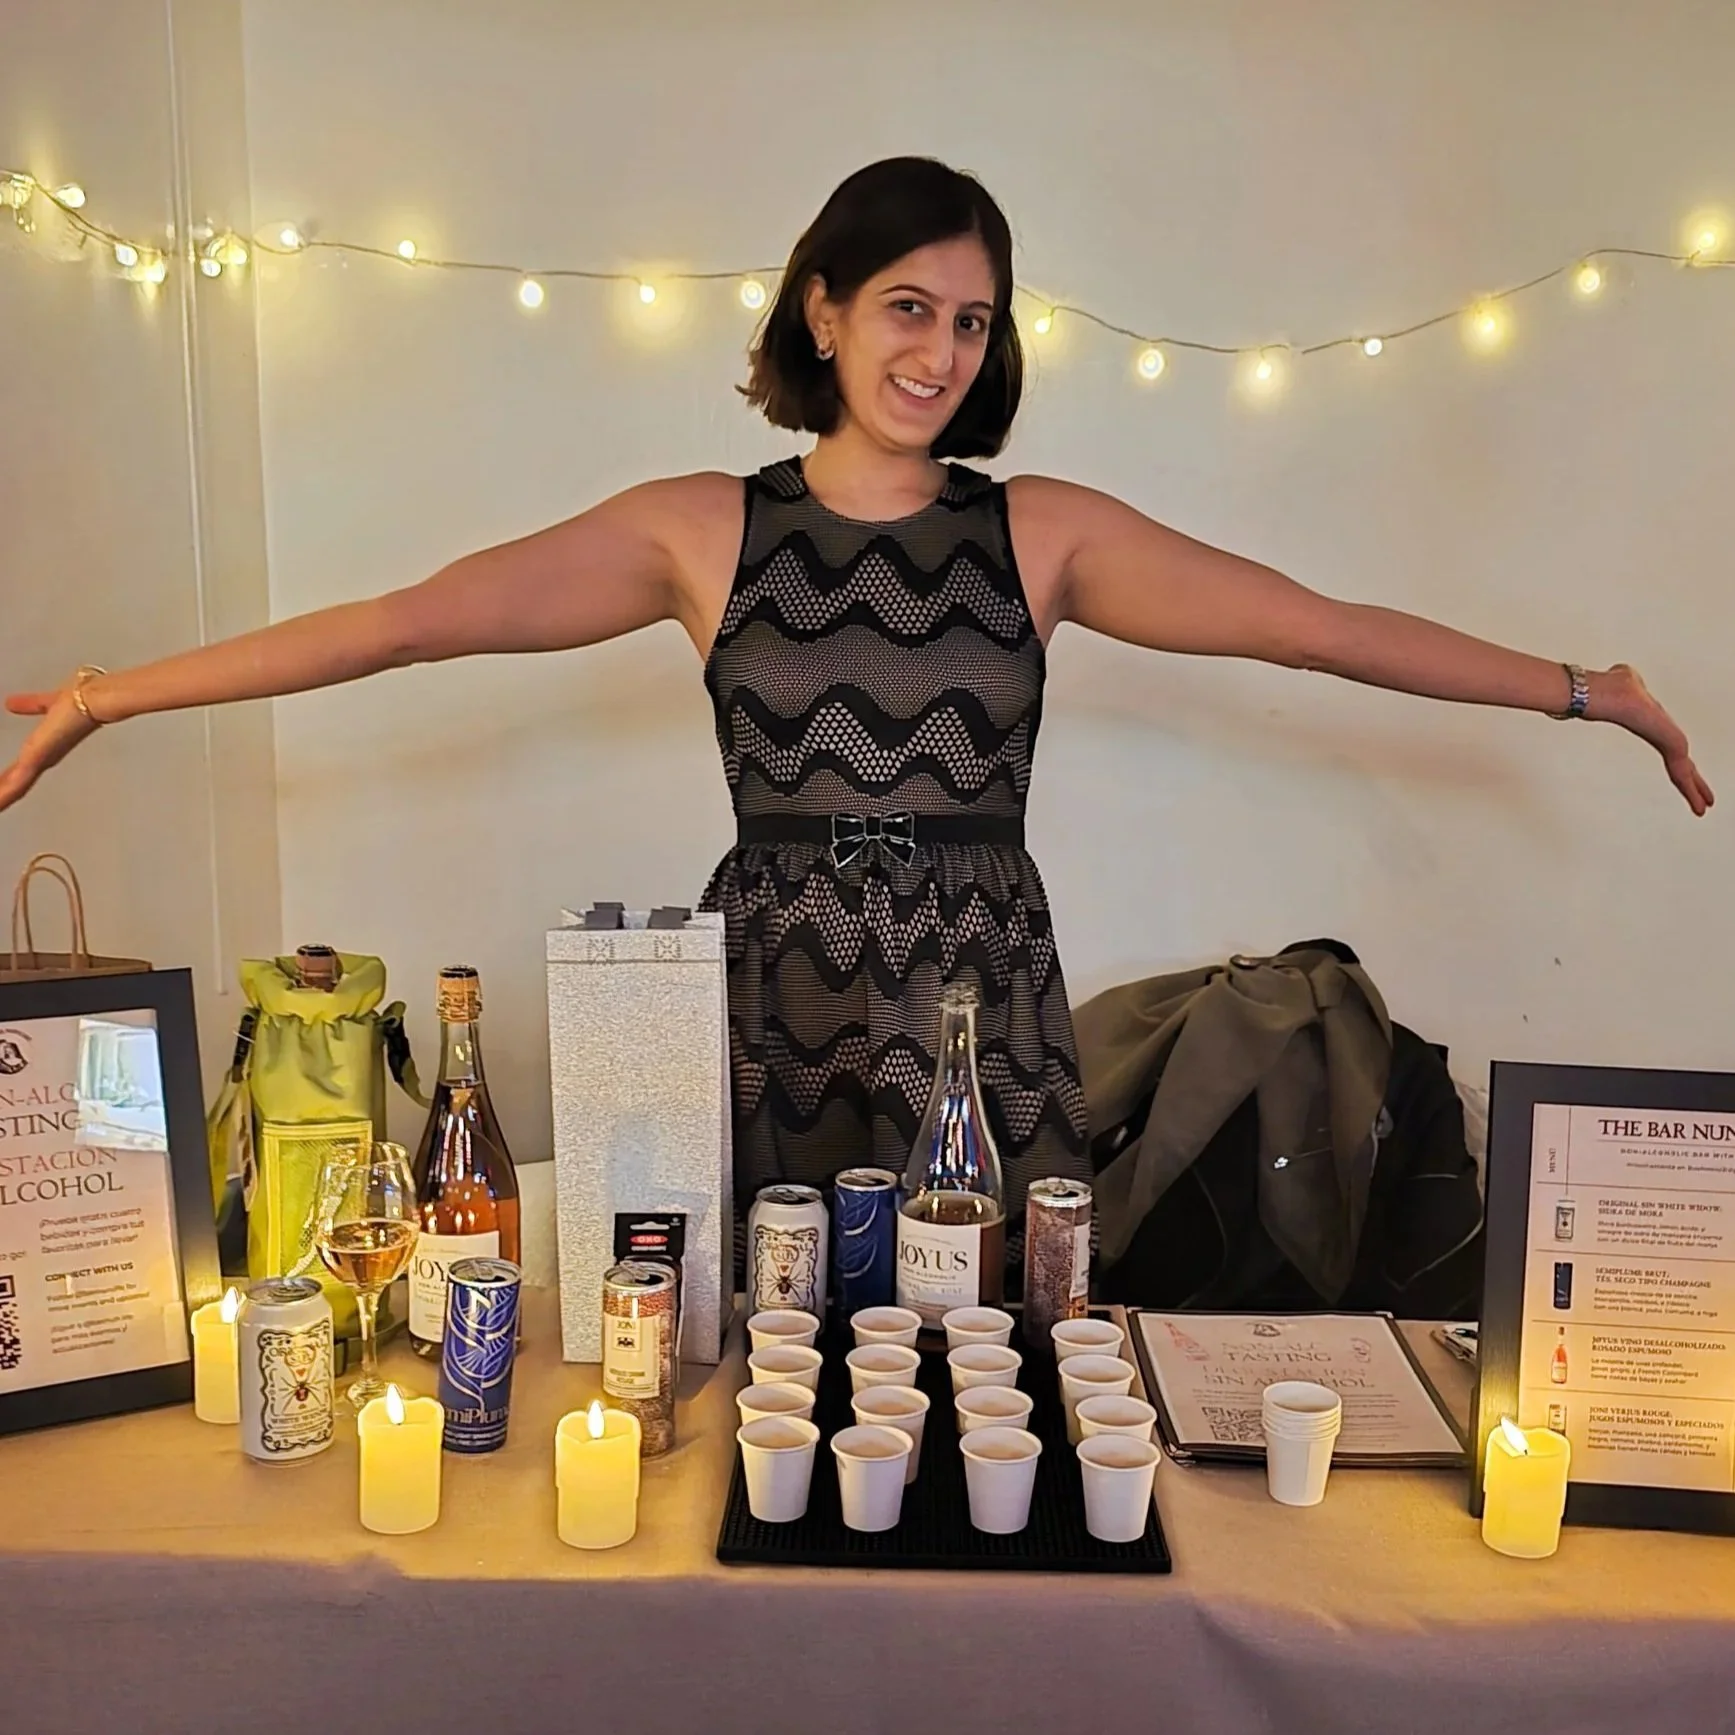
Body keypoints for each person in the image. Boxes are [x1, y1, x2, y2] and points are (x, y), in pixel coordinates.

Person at [0, 156, 1711, 1268]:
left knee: (992, 1353)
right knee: (766, 1348)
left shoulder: (1039, 531)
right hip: (770, 989)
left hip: (981, 1003)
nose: (943, 351)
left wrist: (1580, 690)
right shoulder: (698, 530)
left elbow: (1319, 629)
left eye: (971, 320)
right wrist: (102, 693)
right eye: (909, 306)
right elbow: (402, 623)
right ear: (822, 309)